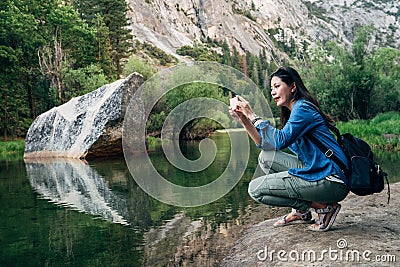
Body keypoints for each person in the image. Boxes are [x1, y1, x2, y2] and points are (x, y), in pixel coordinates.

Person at [229, 66, 349, 232]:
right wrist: (244, 120)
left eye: (277, 86)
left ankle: (324, 207)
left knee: (255, 190)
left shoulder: (302, 108)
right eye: (271, 88)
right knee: (266, 157)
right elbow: (266, 144)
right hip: (318, 171)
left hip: (331, 179)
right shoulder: (294, 112)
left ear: (293, 87)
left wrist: (252, 115)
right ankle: (301, 212)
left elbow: (279, 140)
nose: (272, 92)